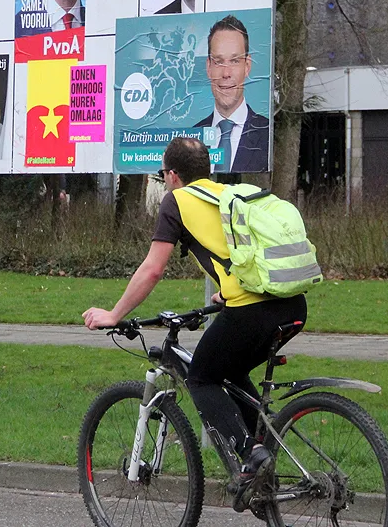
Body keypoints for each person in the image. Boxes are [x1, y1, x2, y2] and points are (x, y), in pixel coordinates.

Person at [82, 137, 307, 508]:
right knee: (230, 371)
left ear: (172, 175)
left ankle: (252, 457)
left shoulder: (177, 201)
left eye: (163, 175)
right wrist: (228, 291)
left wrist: (114, 314)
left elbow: (153, 269)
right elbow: (243, 254)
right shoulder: (227, 195)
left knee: (201, 376)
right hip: (292, 305)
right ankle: (262, 461)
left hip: (252, 311)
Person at [194, 15, 270, 172]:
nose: (226, 73)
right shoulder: (191, 138)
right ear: (208, 67)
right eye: (218, 61)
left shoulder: (269, 135)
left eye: (235, 61)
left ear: (247, 66)